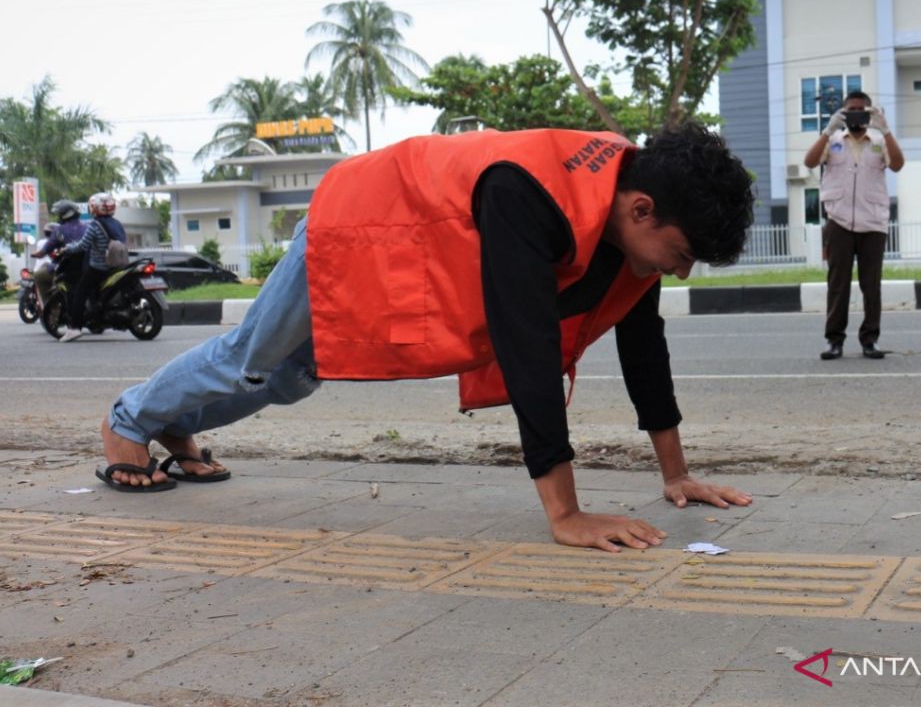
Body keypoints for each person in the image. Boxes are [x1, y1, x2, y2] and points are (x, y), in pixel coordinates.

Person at [95, 123, 758, 553]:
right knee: (253, 359)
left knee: (295, 376)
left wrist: (677, 475)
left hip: (415, 244)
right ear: (642, 210)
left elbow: (644, 347)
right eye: (681, 252)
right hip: (360, 222)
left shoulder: (627, 222)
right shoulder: (530, 193)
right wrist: (566, 515)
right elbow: (525, 346)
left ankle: (173, 423)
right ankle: (129, 419)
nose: (681, 269)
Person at [803, 91, 905, 360]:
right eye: (851, 110)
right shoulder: (834, 140)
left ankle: (870, 340)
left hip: (873, 222)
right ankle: (834, 341)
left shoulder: (879, 140)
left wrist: (886, 129)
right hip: (839, 222)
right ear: (843, 114)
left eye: (862, 110)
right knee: (838, 284)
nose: (856, 115)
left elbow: (898, 165)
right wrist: (827, 130)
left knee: (871, 285)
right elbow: (810, 162)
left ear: (870, 113)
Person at [60, 193, 127, 343]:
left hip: (99, 268)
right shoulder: (117, 224)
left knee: (79, 292)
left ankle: (75, 328)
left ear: (95, 208)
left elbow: (83, 245)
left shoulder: (94, 225)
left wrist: (67, 249)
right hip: (116, 266)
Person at [33, 200, 87, 305]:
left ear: (65, 214)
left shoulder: (59, 230)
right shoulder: (88, 227)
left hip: (65, 268)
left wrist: (35, 254)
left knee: (39, 275)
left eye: (60, 214)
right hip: (86, 267)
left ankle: (49, 306)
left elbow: (43, 251)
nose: (59, 216)